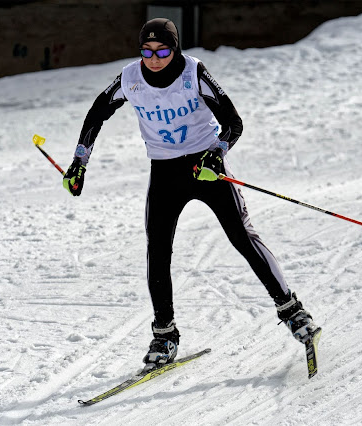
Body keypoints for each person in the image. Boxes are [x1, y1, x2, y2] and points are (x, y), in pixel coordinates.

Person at [63, 18, 319, 366]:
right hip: (164, 171)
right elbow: (97, 113)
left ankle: (292, 310)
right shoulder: (130, 78)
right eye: (147, 50)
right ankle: (164, 335)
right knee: (157, 247)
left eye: (162, 50)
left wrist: (217, 152)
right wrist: (80, 162)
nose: (154, 58)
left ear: (176, 48)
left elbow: (234, 123)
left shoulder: (193, 73)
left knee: (241, 235)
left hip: (206, 167)